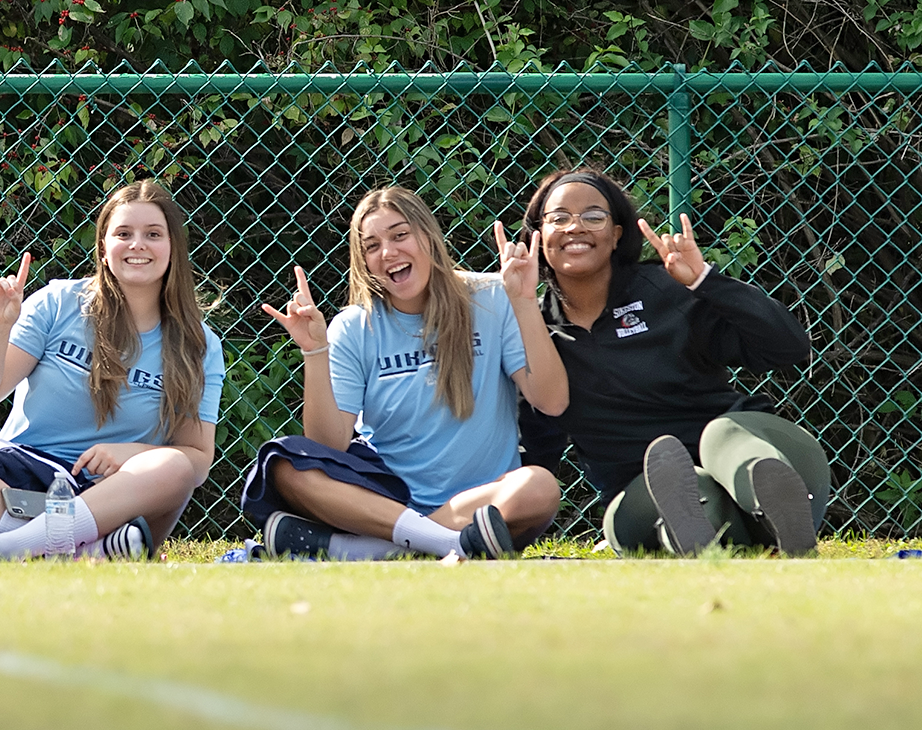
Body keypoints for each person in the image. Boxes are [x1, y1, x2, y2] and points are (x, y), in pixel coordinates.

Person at [0, 180, 226, 560]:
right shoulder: (58, 303)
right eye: (123, 233)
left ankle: (10, 548)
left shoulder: (198, 344)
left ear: (173, 248)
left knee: (174, 466)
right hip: (18, 478)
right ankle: (53, 549)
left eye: (153, 234)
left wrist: (130, 453)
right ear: (104, 248)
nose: (137, 244)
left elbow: (198, 459)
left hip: (110, 495)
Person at [242, 186, 569, 560]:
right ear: (363, 261)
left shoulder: (493, 296)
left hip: (485, 504)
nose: (389, 252)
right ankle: (435, 545)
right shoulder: (354, 326)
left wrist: (525, 302)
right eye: (372, 246)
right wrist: (315, 350)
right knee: (284, 465)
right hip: (384, 502)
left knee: (539, 487)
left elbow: (552, 401)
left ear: (428, 237)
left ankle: (376, 550)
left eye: (400, 235)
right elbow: (327, 445)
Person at [516, 168, 825, 556]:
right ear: (537, 235)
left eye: (593, 217)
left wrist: (705, 281)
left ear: (617, 234)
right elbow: (535, 443)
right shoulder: (533, 331)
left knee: (723, 439)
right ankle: (717, 532)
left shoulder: (668, 289)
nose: (575, 227)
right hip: (643, 492)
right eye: (559, 218)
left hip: (765, 449)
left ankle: (770, 497)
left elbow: (786, 347)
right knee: (682, 487)